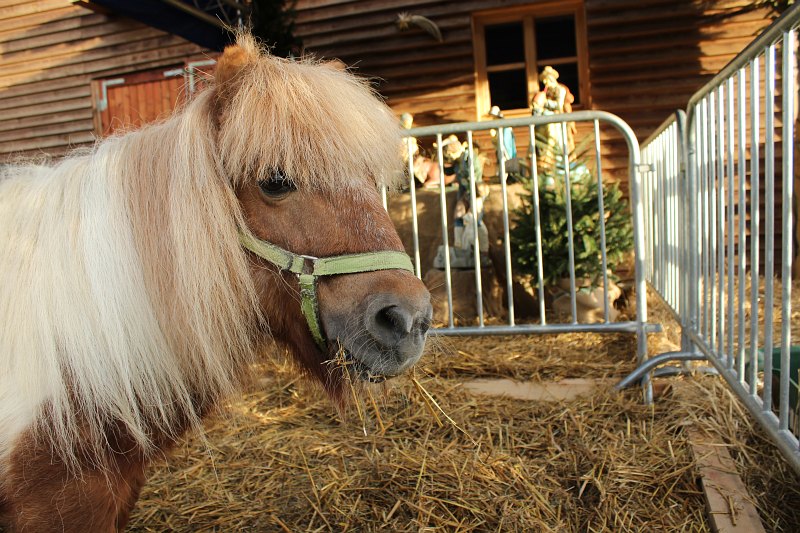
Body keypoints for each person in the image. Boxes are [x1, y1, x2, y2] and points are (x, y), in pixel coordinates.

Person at [531, 66, 577, 164]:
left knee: (563, 142)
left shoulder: (560, 90)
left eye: (546, 79)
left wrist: (545, 102)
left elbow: (558, 105)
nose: (544, 82)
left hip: (559, 119)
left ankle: (565, 160)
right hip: (548, 118)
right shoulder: (547, 91)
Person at [400, 112, 443, 188]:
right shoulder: (400, 135)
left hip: (413, 157)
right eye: (407, 122)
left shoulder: (410, 135)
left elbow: (414, 147)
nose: (409, 125)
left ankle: (421, 181)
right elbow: (402, 150)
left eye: (410, 122)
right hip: (405, 158)